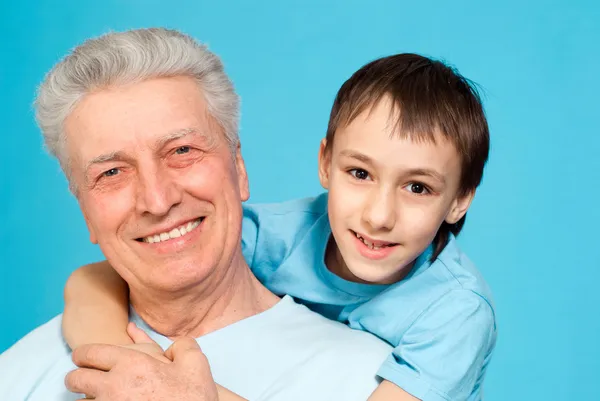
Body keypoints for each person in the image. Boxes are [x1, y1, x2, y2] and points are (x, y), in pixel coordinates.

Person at [63, 45, 497, 400]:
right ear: (325, 163)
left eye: (417, 187)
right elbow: (92, 281)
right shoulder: (287, 236)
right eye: (360, 174)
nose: (379, 216)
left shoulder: (456, 312)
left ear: (459, 201)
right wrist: (126, 367)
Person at [0, 28, 395, 401]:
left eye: (182, 151)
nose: (157, 200)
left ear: (238, 167)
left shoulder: (371, 381)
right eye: (112, 173)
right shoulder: (17, 373)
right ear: (85, 210)